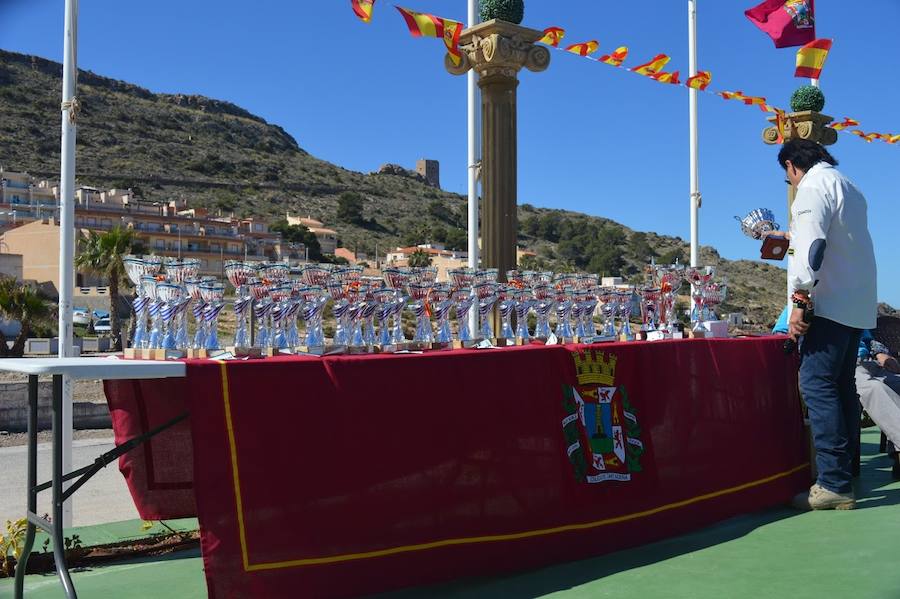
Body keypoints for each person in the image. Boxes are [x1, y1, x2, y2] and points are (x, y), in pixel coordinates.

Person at [778, 138, 877, 511]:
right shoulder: (849, 185)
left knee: (817, 385)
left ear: (791, 165)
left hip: (829, 303)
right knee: (841, 386)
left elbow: (813, 246)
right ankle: (847, 470)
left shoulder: (811, 187)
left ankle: (832, 482)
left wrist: (800, 301)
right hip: (856, 303)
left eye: (788, 177)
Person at [856, 329, 900, 479]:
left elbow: (868, 339)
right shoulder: (799, 307)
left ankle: (896, 457)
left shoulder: (850, 310)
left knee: (897, 383)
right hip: (846, 365)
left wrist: (881, 353)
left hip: (870, 363)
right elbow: (784, 334)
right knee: (875, 389)